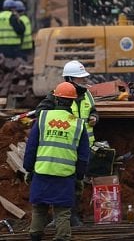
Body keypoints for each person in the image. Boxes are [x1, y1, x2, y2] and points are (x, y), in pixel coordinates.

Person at [24, 82, 90, 241]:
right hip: (65, 175)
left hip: (42, 172)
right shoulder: (78, 124)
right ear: (73, 101)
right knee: (62, 212)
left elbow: (31, 146)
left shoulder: (43, 118)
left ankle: (35, 235)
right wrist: (79, 177)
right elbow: (83, 156)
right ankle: (62, 237)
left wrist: (28, 168)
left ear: (55, 99)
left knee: (39, 209)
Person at [35, 60, 98, 226]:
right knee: (63, 184)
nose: (84, 81)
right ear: (69, 79)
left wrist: (94, 118)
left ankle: (73, 215)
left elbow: (93, 111)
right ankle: (60, 218)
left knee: (79, 183)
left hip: (84, 147)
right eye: (80, 79)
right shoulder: (57, 95)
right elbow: (41, 113)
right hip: (65, 148)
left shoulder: (87, 95)